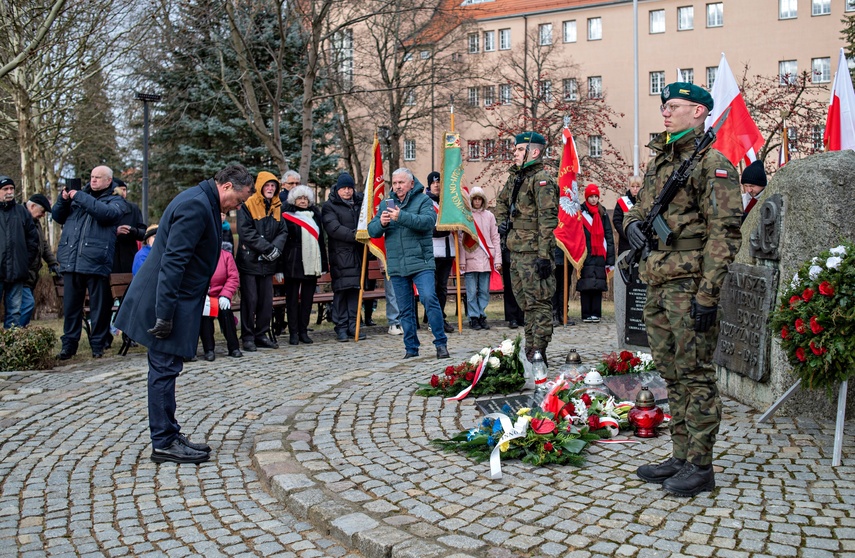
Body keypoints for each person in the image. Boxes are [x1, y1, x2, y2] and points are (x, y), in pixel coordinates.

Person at [625, 82, 742, 497]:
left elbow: (724, 234)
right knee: (671, 373)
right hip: (658, 280)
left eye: (673, 106)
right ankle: (679, 453)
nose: (665, 112)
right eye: (664, 105)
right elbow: (639, 206)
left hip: (689, 284)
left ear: (698, 112)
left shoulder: (714, 164)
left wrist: (707, 295)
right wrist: (633, 225)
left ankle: (701, 464)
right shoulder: (662, 162)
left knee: (695, 375)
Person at [115, 164, 254, 464]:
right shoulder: (196, 205)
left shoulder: (201, 200)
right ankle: (163, 442)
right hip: (165, 302)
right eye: (239, 200)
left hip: (173, 300)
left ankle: (169, 432)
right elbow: (173, 262)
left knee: (168, 370)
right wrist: (164, 314)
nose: (237, 207)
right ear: (227, 186)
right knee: (163, 372)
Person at [368, 168, 450, 359]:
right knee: (405, 309)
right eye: (395, 183)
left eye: (401, 183)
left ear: (411, 184)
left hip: (422, 262)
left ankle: (440, 343)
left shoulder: (423, 200)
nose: (397, 187)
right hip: (397, 264)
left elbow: (428, 222)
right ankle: (411, 348)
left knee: (429, 298)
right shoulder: (386, 204)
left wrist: (401, 217)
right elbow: (372, 231)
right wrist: (382, 222)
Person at [494, 132, 559, 364]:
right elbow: (501, 202)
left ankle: (538, 350)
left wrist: (544, 256)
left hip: (534, 252)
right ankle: (530, 346)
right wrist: (502, 220)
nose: (515, 153)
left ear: (534, 152)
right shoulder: (515, 178)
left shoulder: (542, 180)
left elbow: (548, 221)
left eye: (520, 149)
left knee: (539, 303)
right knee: (525, 302)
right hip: (517, 249)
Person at [52, 166, 125, 358]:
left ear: (109, 181)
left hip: (96, 261)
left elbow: (104, 214)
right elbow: (57, 216)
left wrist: (79, 197)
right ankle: (68, 345)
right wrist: (63, 199)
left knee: (99, 308)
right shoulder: (79, 197)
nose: (93, 180)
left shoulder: (115, 201)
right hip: (72, 259)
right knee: (71, 308)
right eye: (92, 177)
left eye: (98, 178)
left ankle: (98, 344)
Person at [236, 171, 288, 352]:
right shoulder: (248, 205)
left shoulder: (277, 206)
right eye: (267, 185)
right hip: (249, 262)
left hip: (268, 263)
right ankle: (248, 336)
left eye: (273, 186)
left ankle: (261, 334)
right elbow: (246, 232)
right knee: (250, 300)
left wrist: (275, 249)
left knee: (266, 301)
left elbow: (283, 231)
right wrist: (268, 249)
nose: (270, 188)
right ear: (260, 186)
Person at [322, 173, 366, 342]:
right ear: (337, 189)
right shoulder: (330, 206)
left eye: (349, 188)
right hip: (340, 255)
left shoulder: (359, 204)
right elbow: (333, 228)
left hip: (357, 254)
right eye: (344, 188)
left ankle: (353, 325)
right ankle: (340, 326)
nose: (347, 192)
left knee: (355, 290)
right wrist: (356, 235)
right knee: (341, 292)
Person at [281, 185, 327, 345]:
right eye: (300, 198)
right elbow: (283, 242)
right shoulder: (287, 216)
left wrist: (323, 264)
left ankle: (303, 330)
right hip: (293, 261)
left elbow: (321, 241)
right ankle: (293, 333)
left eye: (305, 199)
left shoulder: (315, 216)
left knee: (307, 299)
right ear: (294, 200)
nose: (302, 201)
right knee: (292, 299)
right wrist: (280, 266)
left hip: (311, 260)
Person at [458, 187, 501, 330]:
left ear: (483, 200)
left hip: (486, 258)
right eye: (474, 199)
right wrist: (462, 261)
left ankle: (481, 314)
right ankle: (473, 317)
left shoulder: (489, 216)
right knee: (471, 292)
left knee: (483, 291)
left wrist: (497, 259)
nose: (477, 201)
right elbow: (461, 240)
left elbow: (495, 237)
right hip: (470, 258)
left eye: (479, 199)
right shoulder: (466, 216)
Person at [0, 176, 39, 328]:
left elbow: (33, 240)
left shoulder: (21, 212)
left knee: (15, 312)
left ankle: (11, 347)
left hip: (17, 272)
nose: (9, 192)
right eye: (5, 189)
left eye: (11, 189)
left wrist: (23, 261)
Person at [17, 194, 59, 327]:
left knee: (22, 307)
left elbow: (43, 244)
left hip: (30, 274)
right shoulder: (18, 219)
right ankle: (16, 335)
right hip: (20, 273)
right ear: (32, 206)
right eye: (42, 212)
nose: (43, 215)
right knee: (27, 304)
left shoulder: (34, 223)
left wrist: (52, 262)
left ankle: (16, 336)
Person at [577, 184, 615, 323]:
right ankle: (586, 313)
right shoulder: (581, 212)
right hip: (586, 253)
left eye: (595, 196)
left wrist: (610, 258)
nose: (593, 199)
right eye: (591, 196)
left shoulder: (602, 213)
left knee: (598, 285)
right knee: (586, 284)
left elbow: (609, 236)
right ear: (586, 197)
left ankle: (596, 313)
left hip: (600, 253)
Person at [199, 241, 242, 361]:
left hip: (222, 295)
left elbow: (233, 277)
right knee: (205, 317)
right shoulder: (198, 257)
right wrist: (202, 292)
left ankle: (234, 347)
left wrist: (225, 295)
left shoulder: (226, 256)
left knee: (226, 314)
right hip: (206, 297)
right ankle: (209, 349)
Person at [425, 171, 455, 333]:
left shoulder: (449, 202)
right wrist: (445, 230)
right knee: (433, 287)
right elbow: (429, 228)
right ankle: (433, 319)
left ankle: (439, 317)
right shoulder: (425, 202)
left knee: (442, 287)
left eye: (439, 182)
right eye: (433, 183)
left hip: (448, 250)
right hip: (432, 251)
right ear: (429, 185)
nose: (436, 185)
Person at [111, 179, 147, 273]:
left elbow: (143, 233)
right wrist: (115, 232)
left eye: (124, 190)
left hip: (129, 257)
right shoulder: (104, 208)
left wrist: (133, 230)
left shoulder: (133, 208)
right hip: (110, 259)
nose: (122, 193)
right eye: (120, 190)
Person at [613, 175, 642, 256]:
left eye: (638, 186)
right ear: (629, 186)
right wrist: (627, 234)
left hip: (642, 241)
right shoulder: (622, 202)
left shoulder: (645, 203)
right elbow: (616, 220)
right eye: (633, 186)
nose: (635, 189)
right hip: (626, 244)